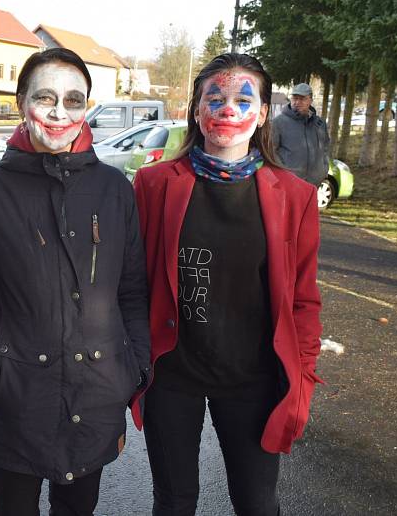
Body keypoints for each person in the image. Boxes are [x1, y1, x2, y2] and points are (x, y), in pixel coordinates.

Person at [0, 48, 151, 515]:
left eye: (74, 100)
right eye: (46, 97)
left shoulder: (114, 189)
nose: (59, 112)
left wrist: (134, 369)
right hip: (17, 402)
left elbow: (133, 292)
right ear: (21, 102)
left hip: (96, 397)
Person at [133, 53, 323, 516]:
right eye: (213, 98)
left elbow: (303, 299)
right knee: (174, 502)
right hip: (172, 376)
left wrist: (302, 379)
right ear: (196, 110)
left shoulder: (294, 196)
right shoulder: (154, 184)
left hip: (254, 379)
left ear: (262, 114)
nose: (226, 108)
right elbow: (133, 282)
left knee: (257, 503)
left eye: (242, 98)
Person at [272, 83, 330, 187]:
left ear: (310, 101)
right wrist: (284, 173)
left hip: (314, 184)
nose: (297, 102)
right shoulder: (278, 123)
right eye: (295, 98)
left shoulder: (319, 124)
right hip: (289, 184)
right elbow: (271, 151)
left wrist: (323, 170)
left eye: (302, 99)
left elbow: (325, 148)